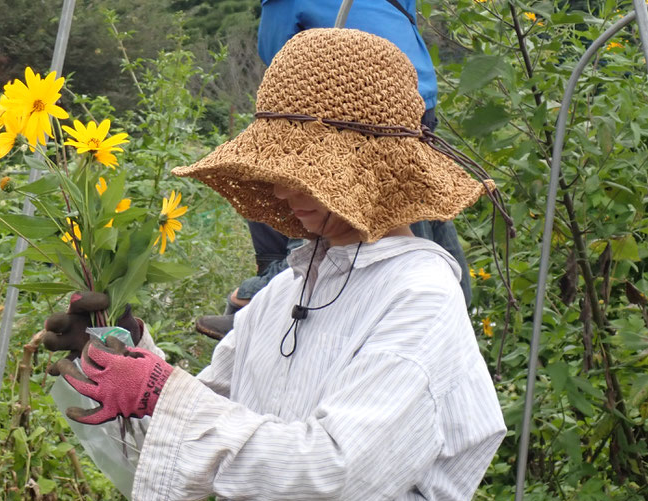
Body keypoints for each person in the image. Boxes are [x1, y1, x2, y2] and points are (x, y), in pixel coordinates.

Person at [45, 29, 506, 501]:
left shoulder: (419, 296)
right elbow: (193, 436)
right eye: (278, 170)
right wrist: (116, 353)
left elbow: (337, 479)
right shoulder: (287, 291)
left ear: (371, 169)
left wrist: (156, 391)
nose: (283, 191)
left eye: (306, 169)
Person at [195, 0, 472, 340]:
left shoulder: (421, 295)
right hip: (414, 110)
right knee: (407, 213)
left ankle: (264, 288)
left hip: (336, 120)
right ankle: (460, 305)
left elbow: (278, 55)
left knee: (318, 200)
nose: (279, 192)